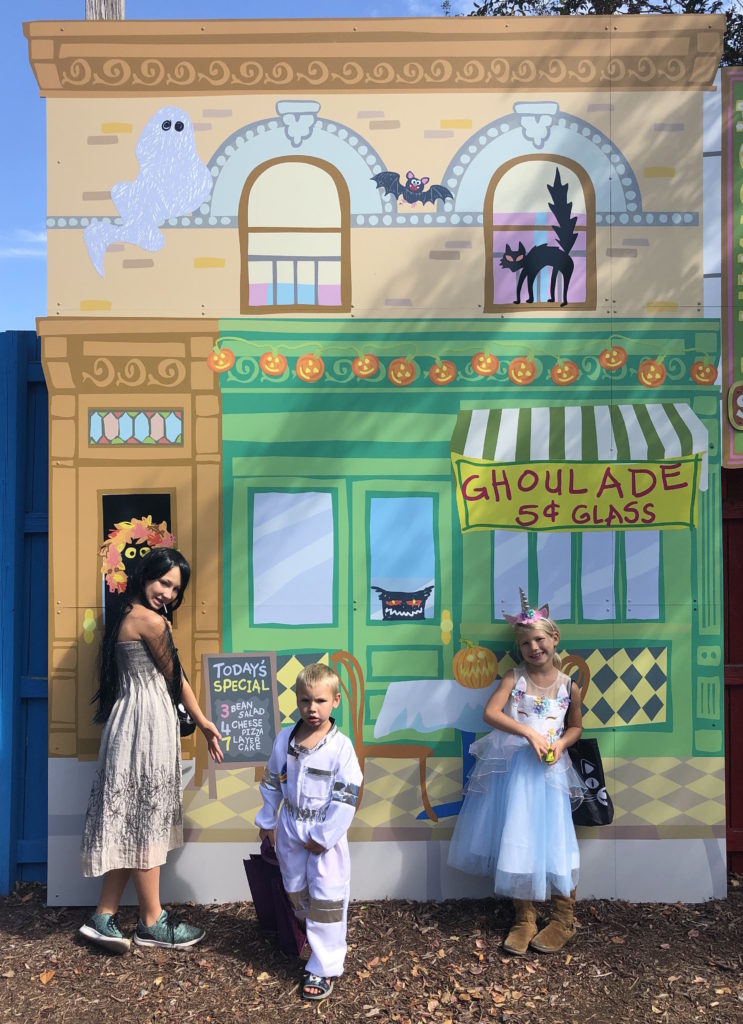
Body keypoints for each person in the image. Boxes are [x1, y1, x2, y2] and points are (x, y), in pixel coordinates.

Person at [79, 547, 223, 953]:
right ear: (146, 575)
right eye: (163, 582)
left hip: (129, 721)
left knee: (131, 816)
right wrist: (204, 721)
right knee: (147, 817)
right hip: (146, 725)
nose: (168, 593)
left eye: (176, 589)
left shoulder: (125, 614)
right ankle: (151, 920)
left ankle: (103, 916)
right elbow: (176, 679)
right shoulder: (151, 621)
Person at [447, 590, 585, 956]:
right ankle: (524, 918)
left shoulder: (569, 685)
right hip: (518, 772)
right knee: (520, 836)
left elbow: (575, 728)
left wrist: (560, 745)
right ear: (519, 648)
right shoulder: (515, 677)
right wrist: (529, 732)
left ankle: (563, 918)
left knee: (556, 838)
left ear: (554, 639)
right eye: (525, 643)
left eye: (540, 639)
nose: (533, 647)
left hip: (552, 772)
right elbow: (492, 714)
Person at [256, 663, 363, 1002]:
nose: (311, 709)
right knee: (297, 892)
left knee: (327, 900)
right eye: (304, 701)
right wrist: (268, 822)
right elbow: (272, 781)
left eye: (319, 701)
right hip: (290, 828)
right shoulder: (286, 739)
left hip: (322, 835)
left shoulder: (340, 747)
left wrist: (326, 835)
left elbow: (347, 795)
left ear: (336, 700)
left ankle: (323, 965)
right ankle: (308, 930)